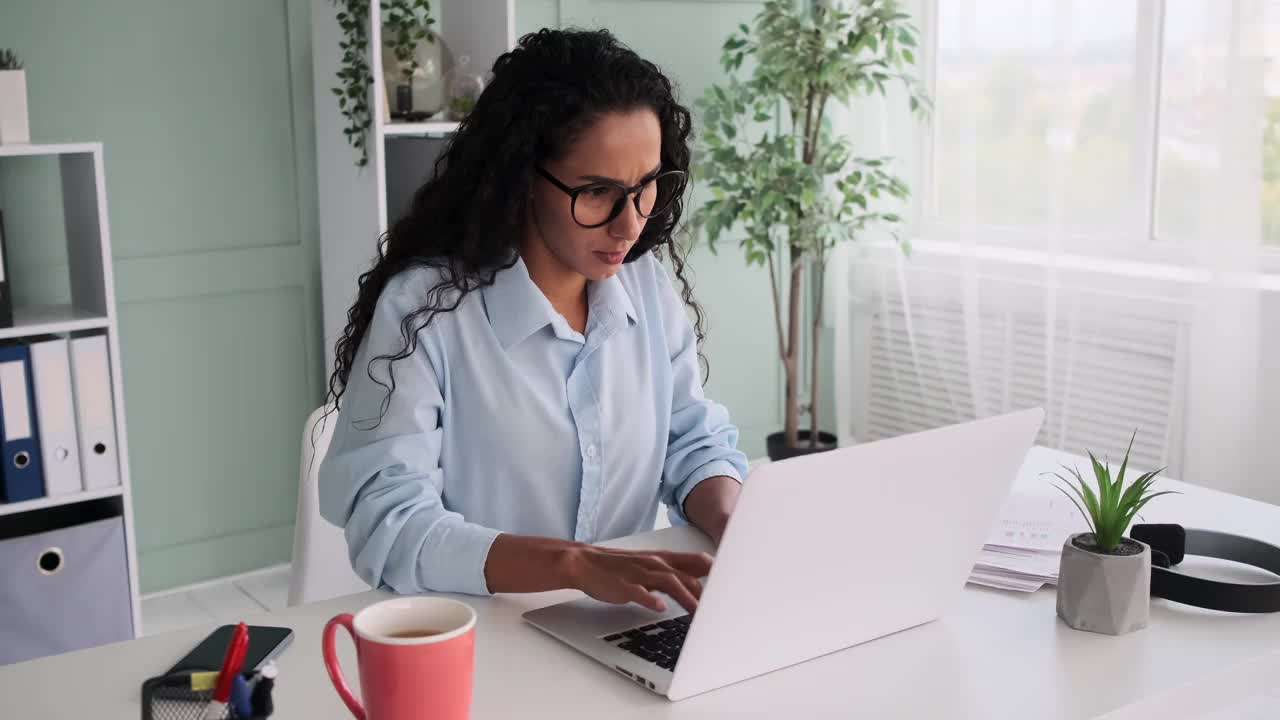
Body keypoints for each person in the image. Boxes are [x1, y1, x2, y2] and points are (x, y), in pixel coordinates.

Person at [319, 28, 748, 615]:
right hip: (476, 634)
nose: (631, 225)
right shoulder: (424, 311)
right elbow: (390, 524)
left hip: (622, 624)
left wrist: (735, 526)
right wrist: (573, 565)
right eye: (598, 192)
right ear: (522, 179)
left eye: (647, 186)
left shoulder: (645, 283)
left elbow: (691, 440)